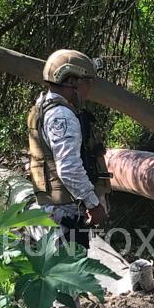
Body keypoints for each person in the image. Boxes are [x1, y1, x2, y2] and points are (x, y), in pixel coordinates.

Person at [28, 49, 111, 251]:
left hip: (54, 212)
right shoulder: (62, 116)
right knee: (73, 276)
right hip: (65, 215)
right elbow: (69, 168)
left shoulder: (43, 105)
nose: (89, 88)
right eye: (86, 81)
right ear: (71, 81)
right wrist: (93, 204)